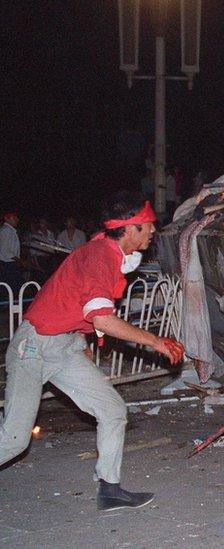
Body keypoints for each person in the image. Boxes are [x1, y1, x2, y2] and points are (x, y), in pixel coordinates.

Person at [0, 192, 185, 511]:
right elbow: (102, 318)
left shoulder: (107, 253)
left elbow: (80, 310)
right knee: (16, 440)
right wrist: (155, 341)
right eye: (148, 225)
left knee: (112, 410)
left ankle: (110, 490)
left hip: (64, 345)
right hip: (34, 347)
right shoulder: (101, 255)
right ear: (130, 229)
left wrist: (82, 346)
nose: (153, 231)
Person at [0, 211, 25, 287]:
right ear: (7, 219)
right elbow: (5, 250)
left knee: (11, 286)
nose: (17, 220)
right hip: (7, 264)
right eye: (14, 218)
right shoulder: (6, 231)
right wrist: (20, 260)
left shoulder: (11, 231)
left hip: (11, 263)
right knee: (12, 286)